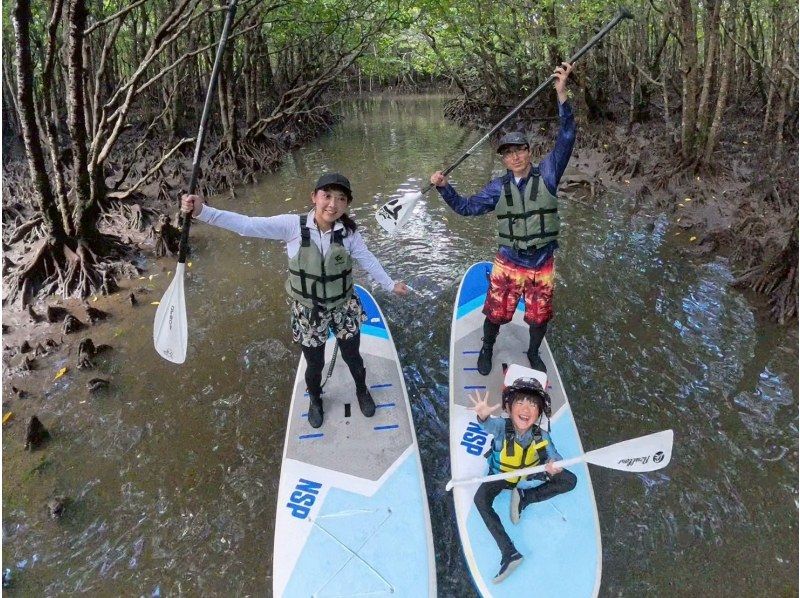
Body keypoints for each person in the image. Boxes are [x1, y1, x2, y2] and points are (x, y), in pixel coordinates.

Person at [181, 172, 409, 429]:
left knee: (353, 356)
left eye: (340, 199)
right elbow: (247, 225)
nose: (332, 204)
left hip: (343, 306)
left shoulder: (349, 234)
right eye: (327, 196)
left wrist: (391, 284)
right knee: (314, 363)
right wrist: (202, 211)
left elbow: (368, 260)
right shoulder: (292, 226)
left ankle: (361, 390)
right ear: (314, 197)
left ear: (347, 204)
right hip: (308, 310)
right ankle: (315, 399)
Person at [430, 62, 576, 375]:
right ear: (503, 159)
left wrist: (562, 95)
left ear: (528, 151)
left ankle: (533, 353)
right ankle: (486, 347)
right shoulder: (498, 187)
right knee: (496, 313)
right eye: (508, 153)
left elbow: (566, 136)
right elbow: (467, 208)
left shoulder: (548, 173)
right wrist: (445, 188)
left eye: (519, 150)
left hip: (542, 261)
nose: (515, 156)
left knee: (539, 317)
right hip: (509, 261)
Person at [469, 373, 576, 583]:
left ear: (538, 414)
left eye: (532, 405)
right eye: (520, 403)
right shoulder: (501, 426)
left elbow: (553, 456)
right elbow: (486, 425)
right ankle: (510, 553)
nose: (526, 409)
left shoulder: (541, 436)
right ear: (509, 408)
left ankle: (525, 497)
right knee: (480, 500)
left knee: (569, 480)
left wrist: (555, 467)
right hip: (500, 475)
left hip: (528, 475)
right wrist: (482, 416)